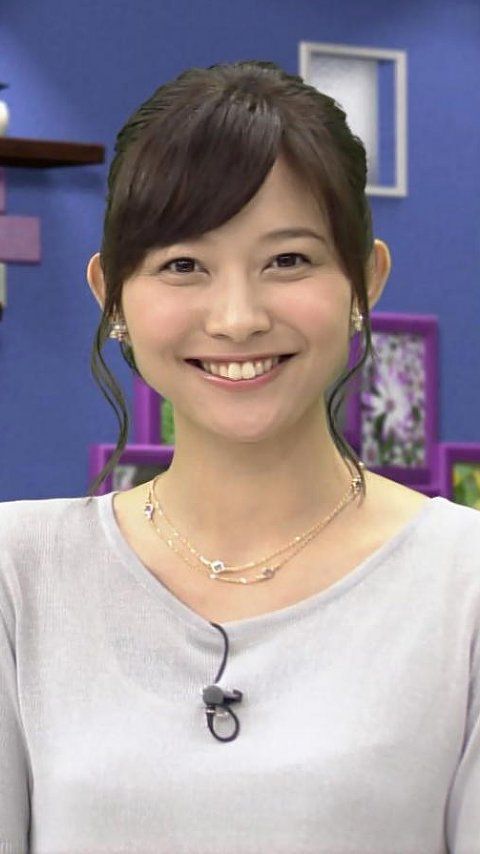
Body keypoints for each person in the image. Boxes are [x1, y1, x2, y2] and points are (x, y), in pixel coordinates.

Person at [0, 60, 479, 854]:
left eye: (288, 260)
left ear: (365, 282)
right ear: (111, 295)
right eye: (183, 265)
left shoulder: (463, 584)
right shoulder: (18, 576)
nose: (237, 318)